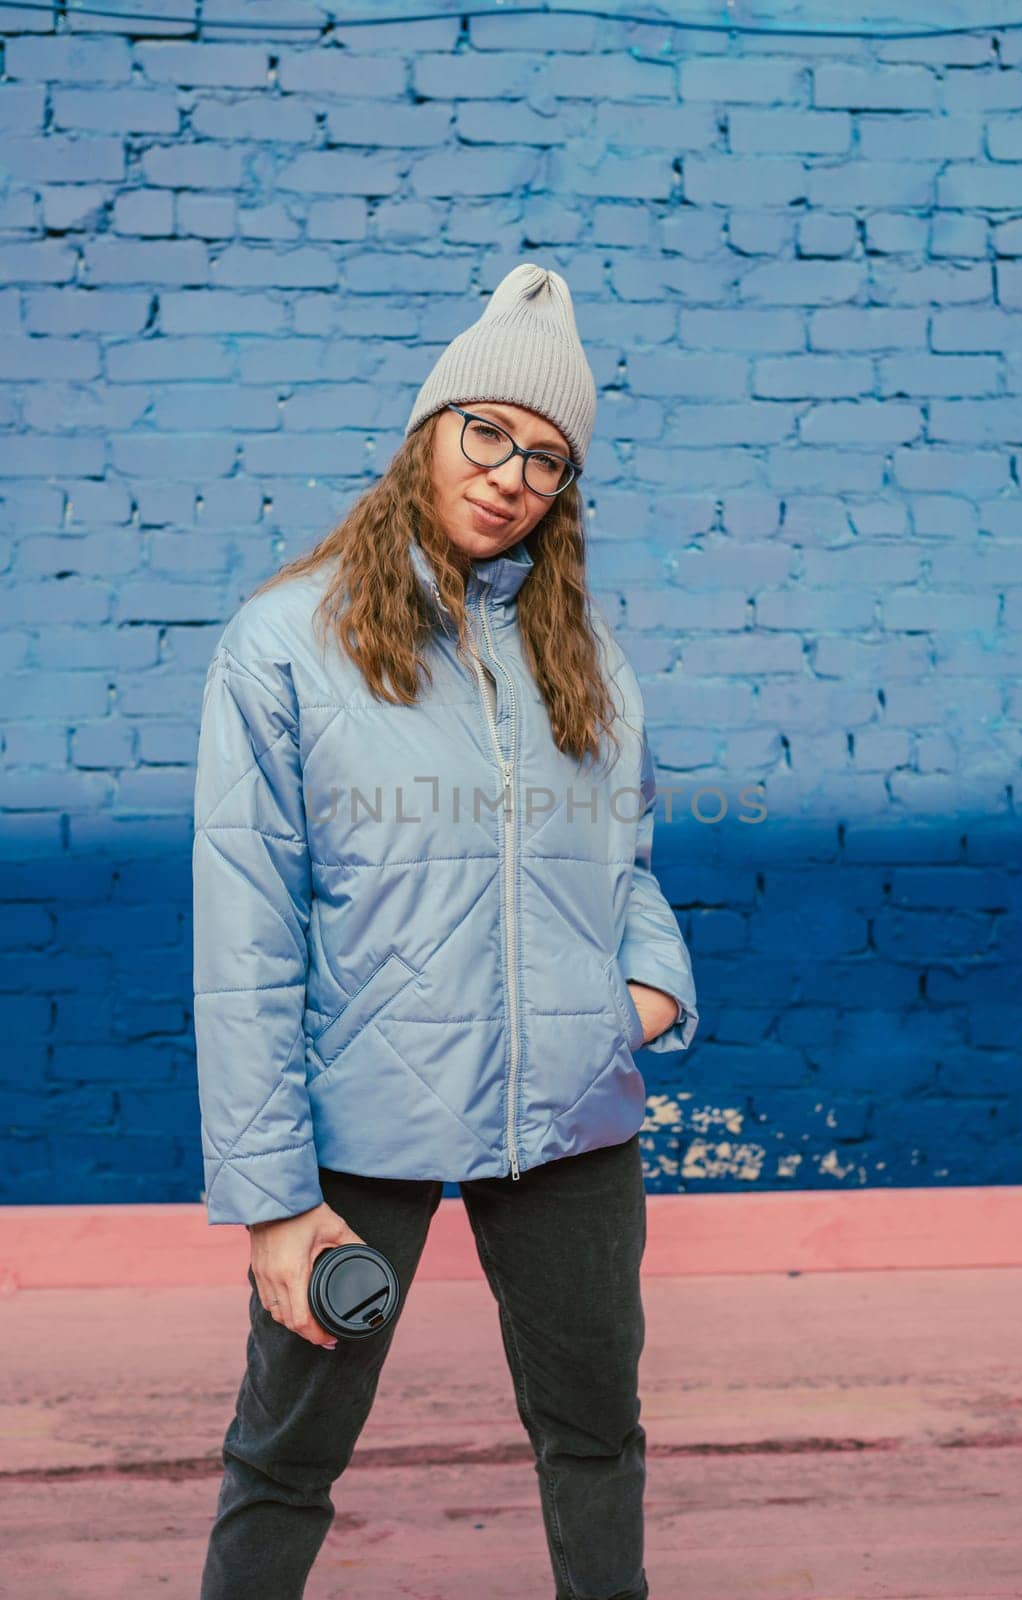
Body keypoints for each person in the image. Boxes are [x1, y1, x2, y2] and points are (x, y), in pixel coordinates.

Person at [194, 262, 698, 1600]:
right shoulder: (281, 648)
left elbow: (628, 868)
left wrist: (636, 995)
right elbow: (243, 941)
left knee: (596, 1435)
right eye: (486, 430)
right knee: (285, 1455)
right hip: (365, 1124)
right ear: (429, 431)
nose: (509, 472)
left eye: (544, 455)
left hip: (572, 1116)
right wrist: (272, 1201)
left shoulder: (582, 657)